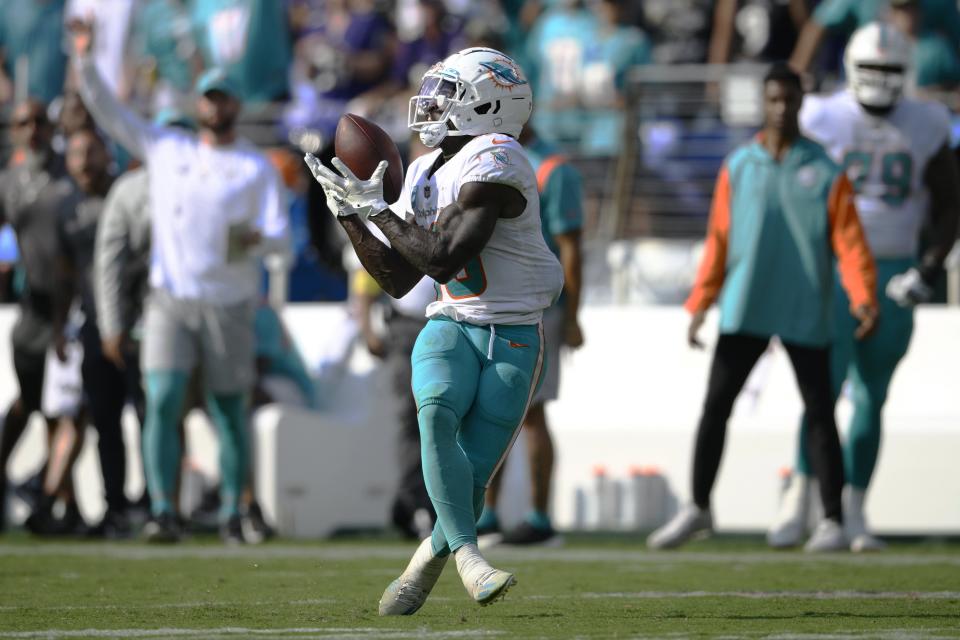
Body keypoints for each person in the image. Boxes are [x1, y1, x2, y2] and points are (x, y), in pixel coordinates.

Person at [305, 47, 563, 612]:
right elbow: (399, 278)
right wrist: (352, 214)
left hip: (513, 332)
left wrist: (379, 211)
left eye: (451, 92)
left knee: (469, 479)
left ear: (490, 105)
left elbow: (443, 258)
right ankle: (471, 560)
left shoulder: (500, 157)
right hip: (450, 321)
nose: (433, 102)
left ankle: (426, 561)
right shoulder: (423, 169)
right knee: (435, 412)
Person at [70, 19, 290, 544]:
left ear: (236, 105)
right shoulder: (168, 149)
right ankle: (163, 509)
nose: (215, 105)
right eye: (208, 97)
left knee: (230, 408)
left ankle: (236, 511)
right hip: (170, 300)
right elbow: (109, 111)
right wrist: (84, 58)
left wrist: (259, 241)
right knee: (162, 399)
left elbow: (283, 242)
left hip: (230, 301)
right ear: (198, 104)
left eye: (223, 97)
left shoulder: (254, 167)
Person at [646, 63, 879, 553]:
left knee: (820, 411)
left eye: (789, 100)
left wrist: (862, 297)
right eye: (773, 99)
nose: (781, 108)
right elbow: (719, 239)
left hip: (802, 307)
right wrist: (702, 301)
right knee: (716, 406)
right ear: (763, 102)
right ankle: (698, 507)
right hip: (745, 304)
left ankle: (832, 520)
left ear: (800, 101)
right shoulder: (740, 166)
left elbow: (850, 244)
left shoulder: (826, 170)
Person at [768, 23, 960, 552]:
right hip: (833, 270)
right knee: (820, 393)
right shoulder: (822, 115)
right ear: (852, 69)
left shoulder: (927, 120)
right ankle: (802, 501)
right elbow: (787, 185)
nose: (879, 80)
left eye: (890, 70)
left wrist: (927, 269)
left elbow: (950, 203)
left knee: (873, 396)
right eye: (870, 69)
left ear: (909, 73)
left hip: (895, 271)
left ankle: (852, 510)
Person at [478, 125, 584, 546]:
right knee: (492, 408)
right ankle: (488, 512)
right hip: (497, 304)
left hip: (540, 306)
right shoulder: (491, 159)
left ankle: (539, 516)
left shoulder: (553, 169)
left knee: (533, 411)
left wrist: (573, 315)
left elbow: (571, 246)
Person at [0, 99, 77, 533]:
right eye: (22, 122)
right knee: (32, 404)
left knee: (63, 410)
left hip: (74, 310)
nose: (31, 129)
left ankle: (59, 501)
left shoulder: (70, 174)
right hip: (34, 307)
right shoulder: (10, 182)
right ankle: (53, 498)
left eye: (37, 122)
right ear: (14, 131)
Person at [353, 268, 438, 540]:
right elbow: (366, 274)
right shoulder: (391, 222)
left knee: (442, 417)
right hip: (407, 328)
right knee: (413, 418)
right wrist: (367, 329)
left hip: (451, 323)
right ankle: (414, 503)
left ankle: (427, 503)